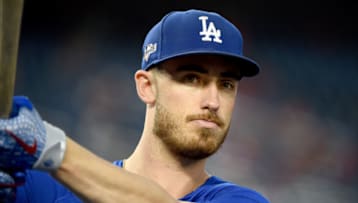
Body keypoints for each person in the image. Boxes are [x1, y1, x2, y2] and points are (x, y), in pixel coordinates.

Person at [0, 9, 270, 203]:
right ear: (146, 86)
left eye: (226, 84)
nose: (213, 102)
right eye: (191, 78)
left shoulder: (240, 200)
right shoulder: (49, 187)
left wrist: (50, 147)